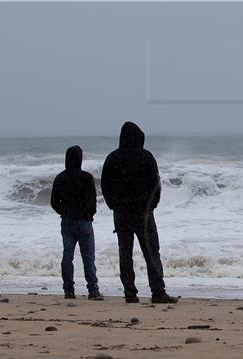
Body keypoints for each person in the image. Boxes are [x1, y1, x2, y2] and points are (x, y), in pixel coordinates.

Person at [101, 121, 178, 304]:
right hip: (143, 213)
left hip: (121, 213)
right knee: (151, 251)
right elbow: (155, 184)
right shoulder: (146, 157)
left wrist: (113, 204)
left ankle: (130, 293)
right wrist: (152, 205)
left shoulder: (112, 158)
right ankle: (158, 291)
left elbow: (105, 185)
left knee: (125, 253)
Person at [50, 145, 103, 301]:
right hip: (84, 221)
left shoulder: (60, 178)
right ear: (80, 159)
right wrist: (88, 214)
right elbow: (92, 201)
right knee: (88, 257)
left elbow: (54, 202)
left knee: (67, 255)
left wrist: (63, 212)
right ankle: (93, 290)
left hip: (67, 221)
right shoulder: (86, 178)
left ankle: (69, 290)